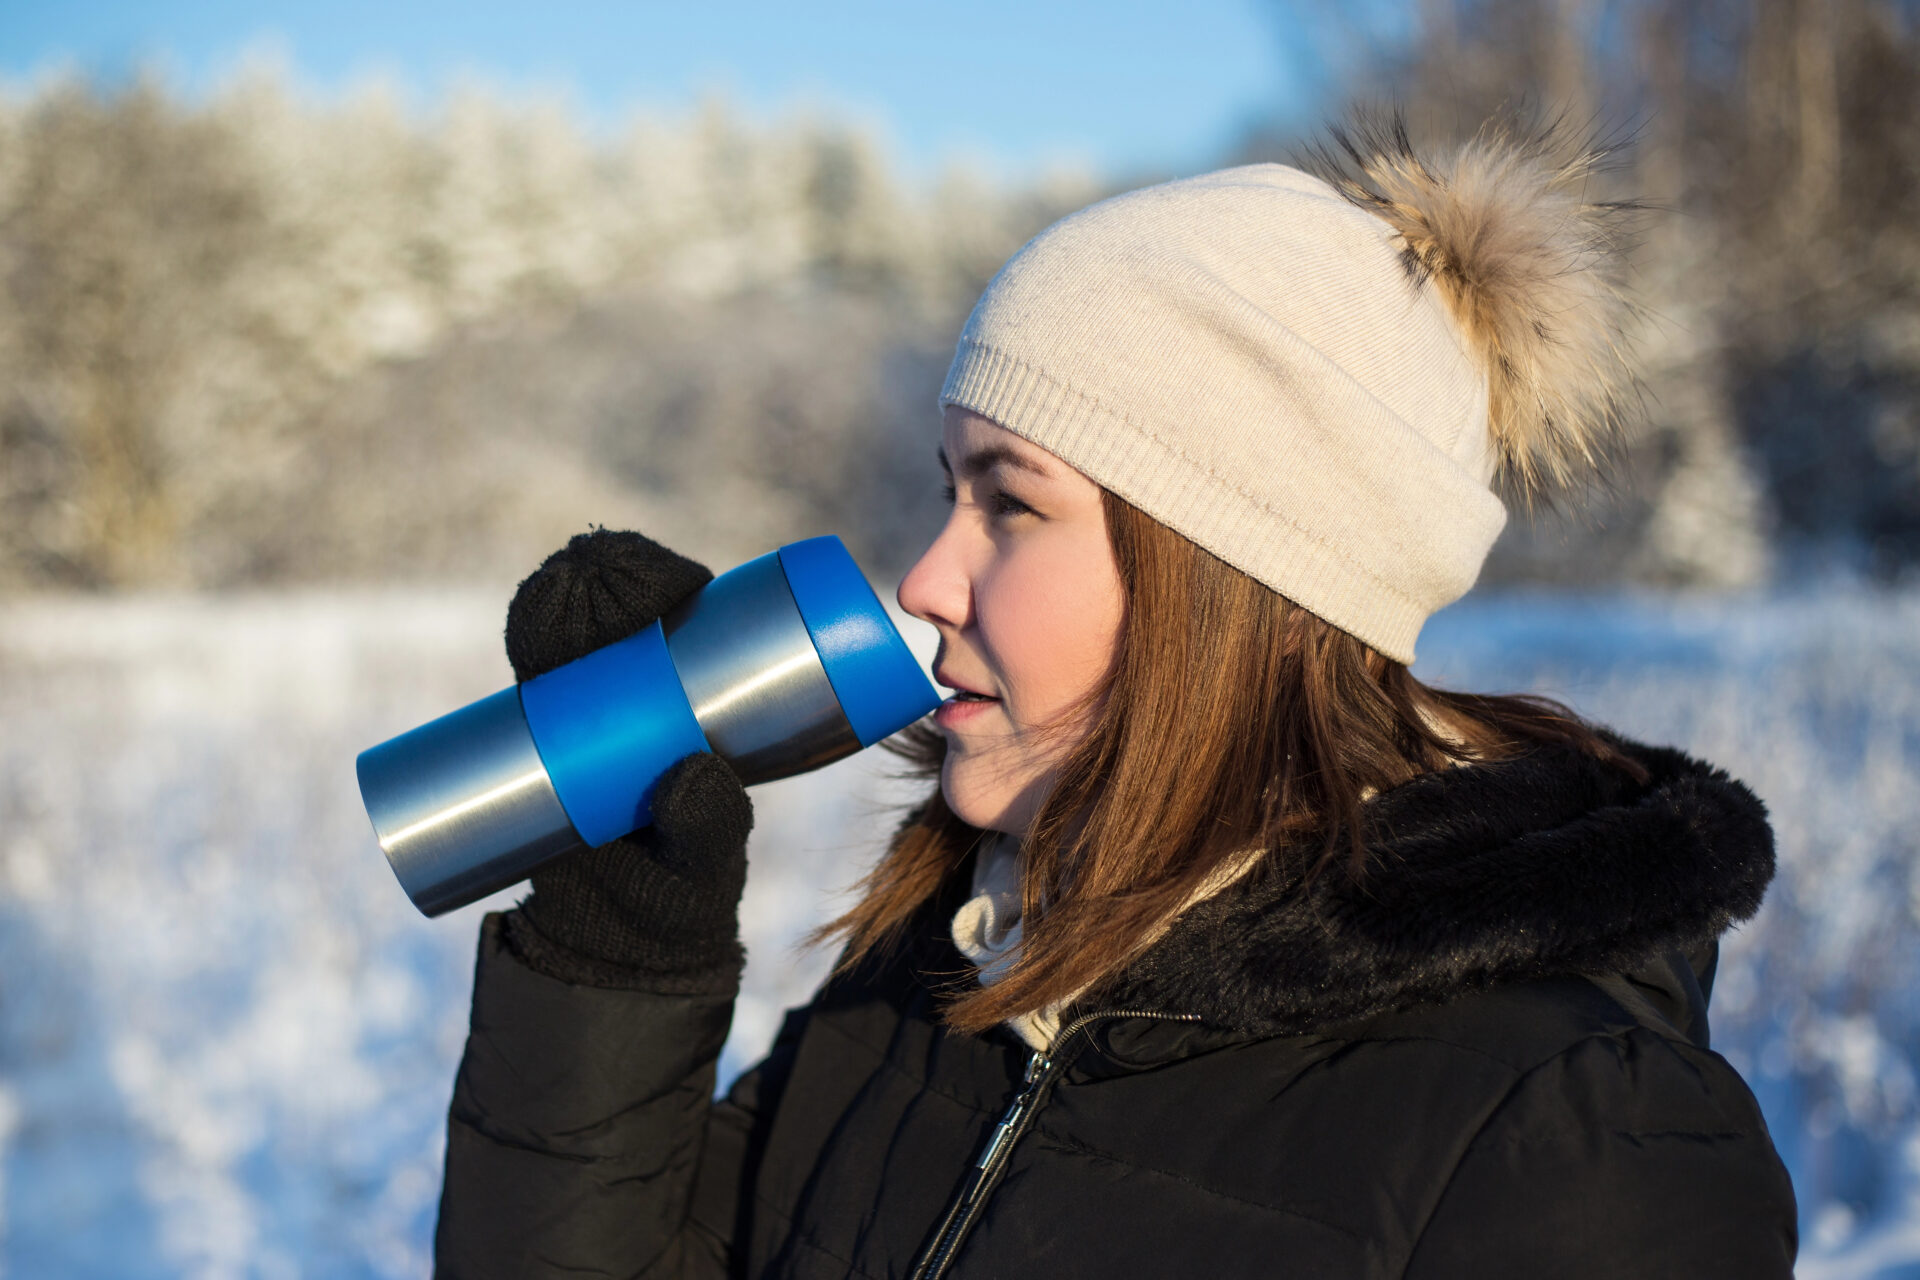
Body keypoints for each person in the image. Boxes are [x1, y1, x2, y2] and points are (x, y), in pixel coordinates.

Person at [433, 115, 1798, 1279]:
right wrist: (622, 954)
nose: (926, 578)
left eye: (1009, 505)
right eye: (947, 489)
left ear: (1232, 572)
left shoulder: (1575, 1140)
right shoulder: (946, 966)